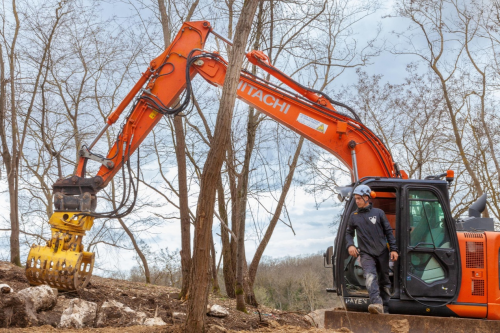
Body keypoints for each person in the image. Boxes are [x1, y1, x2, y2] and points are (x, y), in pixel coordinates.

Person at [345, 185, 398, 314]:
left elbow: (388, 232)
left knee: (384, 280)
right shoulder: (354, 216)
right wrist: (350, 245)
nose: (356, 201)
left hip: (382, 252)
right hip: (366, 253)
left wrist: (393, 249)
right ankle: (376, 304)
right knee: (370, 277)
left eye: (359, 198)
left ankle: (386, 307)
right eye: (355, 198)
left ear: (366, 197)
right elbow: (348, 233)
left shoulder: (378, 213)